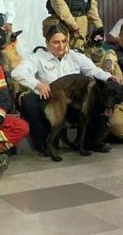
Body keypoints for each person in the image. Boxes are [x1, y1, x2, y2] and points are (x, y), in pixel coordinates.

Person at [13, 24, 117, 155]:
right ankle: (43, 144)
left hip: (73, 101)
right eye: (56, 42)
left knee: (98, 94)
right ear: (47, 42)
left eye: (64, 41)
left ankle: (91, 141)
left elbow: (94, 71)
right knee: (29, 102)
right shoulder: (38, 57)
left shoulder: (76, 56)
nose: (61, 46)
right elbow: (17, 72)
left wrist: (110, 78)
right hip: (49, 99)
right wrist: (37, 84)